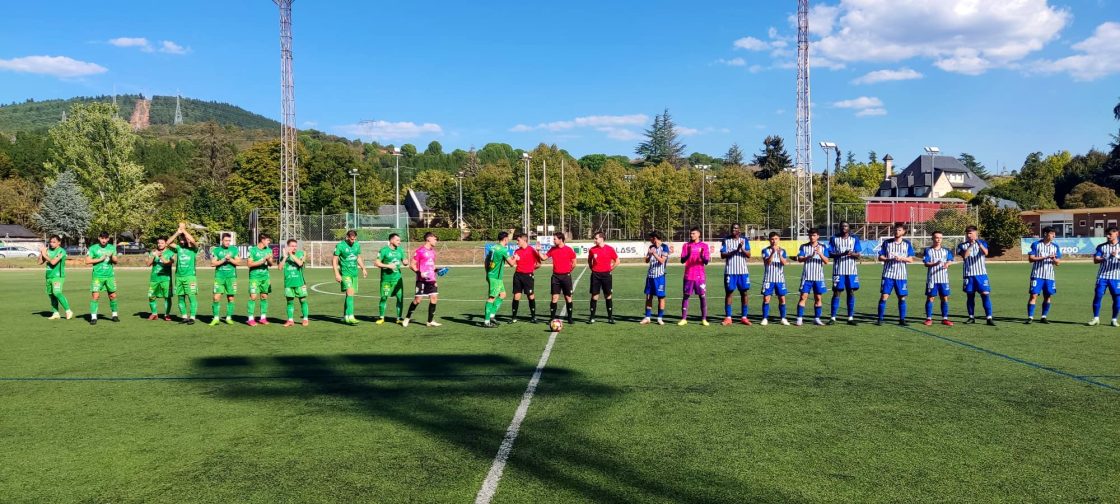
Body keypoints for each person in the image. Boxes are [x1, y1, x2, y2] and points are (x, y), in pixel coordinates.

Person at [877, 224, 914, 326]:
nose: (897, 231)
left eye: (899, 230)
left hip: (901, 276)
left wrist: (901, 258)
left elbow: (911, 259)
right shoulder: (887, 243)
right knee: (884, 296)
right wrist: (890, 259)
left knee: (902, 297)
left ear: (904, 232)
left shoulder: (907, 244)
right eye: (895, 230)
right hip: (888, 274)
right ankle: (880, 319)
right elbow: (880, 257)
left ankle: (902, 319)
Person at [957, 225, 994, 326]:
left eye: (971, 233)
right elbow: (965, 256)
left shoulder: (982, 243)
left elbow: (985, 252)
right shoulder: (962, 245)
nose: (969, 235)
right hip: (969, 275)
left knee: (985, 295)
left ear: (976, 233)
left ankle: (989, 318)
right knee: (970, 296)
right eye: (967, 233)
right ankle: (971, 317)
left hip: (981, 275)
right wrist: (971, 245)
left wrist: (977, 242)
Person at [404, 232, 441, 327]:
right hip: (421, 280)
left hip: (431, 280)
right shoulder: (420, 251)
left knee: (434, 298)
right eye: (435, 239)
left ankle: (430, 321)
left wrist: (437, 271)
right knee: (418, 300)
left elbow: (432, 266)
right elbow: (412, 265)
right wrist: (419, 273)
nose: (436, 241)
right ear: (429, 239)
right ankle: (407, 317)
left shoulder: (433, 252)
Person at [828, 221, 862, 325]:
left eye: (846, 226)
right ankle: (833, 317)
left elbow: (859, 255)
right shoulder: (834, 239)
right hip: (838, 270)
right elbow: (830, 254)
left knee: (850, 292)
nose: (844, 227)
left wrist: (852, 253)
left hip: (851, 271)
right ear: (839, 227)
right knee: (837, 292)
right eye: (842, 226)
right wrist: (843, 253)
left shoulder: (854, 239)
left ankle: (850, 318)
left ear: (849, 228)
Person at [1026, 226, 1061, 324]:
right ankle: (1030, 317)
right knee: (1033, 295)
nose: (1054, 235)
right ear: (1045, 234)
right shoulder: (1036, 244)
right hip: (1037, 275)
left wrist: (1053, 259)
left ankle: (1043, 317)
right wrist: (1046, 257)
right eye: (1051, 233)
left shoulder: (1055, 246)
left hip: (1049, 276)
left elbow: (1058, 263)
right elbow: (1030, 259)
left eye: (1054, 233)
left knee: (1048, 296)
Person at [795, 229, 830, 326]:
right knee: (803, 297)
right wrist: (810, 256)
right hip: (807, 277)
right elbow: (800, 259)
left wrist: (820, 254)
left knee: (818, 298)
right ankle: (799, 318)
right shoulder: (804, 246)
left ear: (818, 236)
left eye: (814, 235)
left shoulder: (823, 247)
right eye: (810, 235)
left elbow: (826, 261)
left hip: (818, 277)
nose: (812, 237)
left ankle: (817, 318)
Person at [332, 230, 367, 325]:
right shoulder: (340, 246)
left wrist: (363, 268)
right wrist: (336, 274)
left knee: (349, 295)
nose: (353, 241)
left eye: (355, 239)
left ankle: (345, 316)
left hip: (354, 274)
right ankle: (351, 316)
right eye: (352, 239)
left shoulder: (357, 245)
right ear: (347, 237)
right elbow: (334, 260)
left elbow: (358, 257)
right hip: (345, 274)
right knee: (350, 292)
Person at [167, 223, 200, 324]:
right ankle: (184, 316)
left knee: (191, 297)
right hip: (179, 277)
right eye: (181, 239)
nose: (182, 241)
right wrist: (178, 232)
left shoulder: (193, 249)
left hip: (190, 277)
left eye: (184, 239)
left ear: (187, 240)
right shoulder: (178, 248)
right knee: (180, 297)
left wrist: (184, 230)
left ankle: (192, 317)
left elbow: (193, 241)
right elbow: (168, 243)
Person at [720, 223, 752, 326]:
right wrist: (736, 250)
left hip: (743, 271)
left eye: (736, 228)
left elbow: (748, 255)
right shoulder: (726, 240)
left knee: (744, 293)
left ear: (739, 230)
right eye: (733, 228)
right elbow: (722, 255)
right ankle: (728, 317)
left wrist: (741, 248)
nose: (734, 229)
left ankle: (744, 317)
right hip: (730, 271)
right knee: (729, 293)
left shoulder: (744, 240)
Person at [482, 232, 516, 327]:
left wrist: (487, 272)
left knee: (503, 294)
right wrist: (516, 258)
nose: (508, 240)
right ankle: (486, 321)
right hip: (495, 278)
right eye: (508, 238)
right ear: (505, 239)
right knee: (491, 298)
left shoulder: (493, 247)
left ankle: (492, 316)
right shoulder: (502, 250)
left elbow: (486, 261)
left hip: (493, 276)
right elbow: (512, 264)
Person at [679, 227, 711, 326]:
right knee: (686, 296)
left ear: (698, 234)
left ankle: (704, 319)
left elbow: (706, 262)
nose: (691, 235)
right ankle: (684, 318)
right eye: (691, 233)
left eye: (693, 233)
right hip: (688, 276)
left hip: (700, 276)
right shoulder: (686, 245)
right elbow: (682, 261)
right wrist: (688, 254)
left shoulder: (704, 246)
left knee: (702, 296)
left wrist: (701, 256)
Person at [373, 233, 408, 325]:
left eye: (400, 240)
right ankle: (381, 317)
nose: (399, 242)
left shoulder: (400, 250)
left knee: (400, 298)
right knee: (384, 297)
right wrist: (387, 265)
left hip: (397, 279)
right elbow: (376, 263)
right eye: (397, 240)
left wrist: (405, 262)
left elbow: (404, 260)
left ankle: (399, 318)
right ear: (391, 240)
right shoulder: (384, 250)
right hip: (386, 280)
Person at [511, 233, 545, 323]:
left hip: (528, 276)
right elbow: (512, 263)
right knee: (516, 296)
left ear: (524, 240)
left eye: (518, 240)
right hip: (517, 275)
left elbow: (539, 264)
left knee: (530, 296)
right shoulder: (517, 251)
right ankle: (514, 317)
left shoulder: (532, 250)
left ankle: (533, 317)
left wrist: (530, 269)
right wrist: (514, 259)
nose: (517, 242)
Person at [1089, 226, 1120, 327]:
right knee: (1098, 295)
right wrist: (1107, 257)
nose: (1108, 236)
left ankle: (1114, 319)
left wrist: (1117, 256)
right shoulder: (1101, 246)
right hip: (1102, 276)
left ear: (1117, 234)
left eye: (1110, 234)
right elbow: (1095, 260)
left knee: (1116, 298)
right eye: (1107, 234)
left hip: (1116, 277)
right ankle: (1096, 318)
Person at [86, 231, 120, 324]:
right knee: (95, 296)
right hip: (97, 276)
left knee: (112, 296)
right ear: (99, 238)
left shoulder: (112, 248)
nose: (104, 240)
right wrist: (100, 259)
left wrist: (112, 256)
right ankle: (93, 317)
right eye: (102, 238)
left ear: (108, 239)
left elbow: (116, 261)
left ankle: (114, 315)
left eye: (105, 238)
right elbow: (87, 261)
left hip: (109, 276)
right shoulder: (93, 248)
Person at [587, 231, 619, 324]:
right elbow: (589, 261)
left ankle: (610, 317)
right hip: (595, 275)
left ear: (601, 238)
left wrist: (610, 269)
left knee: (608, 295)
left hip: (606, 275)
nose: (594, 240)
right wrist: (592, 269)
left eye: (596, 238)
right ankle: (592, 317)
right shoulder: (592, 250)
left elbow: (617, 261)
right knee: (594, 295)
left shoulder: (610, 249)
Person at [922, 231, 954, 326]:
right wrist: (934, 264)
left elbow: (950, 260)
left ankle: (945, 318)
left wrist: (947, 264)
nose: (938, 239)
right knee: (930, 298)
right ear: (932, 239)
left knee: (944, 298)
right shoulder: (928, 250)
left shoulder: (946, 250)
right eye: (936, 237)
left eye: (940, 237)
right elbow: (926, 263)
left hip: (944, 279)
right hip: (932, 279)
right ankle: (928, 318)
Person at [209, 232, 241, 326]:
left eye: (229, 241)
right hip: (219, 277)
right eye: (226, 240)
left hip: (231, 277)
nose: (228, 242)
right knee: (216, 298)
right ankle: (215, 318)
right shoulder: (217, 250)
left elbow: (239, 262)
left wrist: (230, 259)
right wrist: (223, 260)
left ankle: (228, 317)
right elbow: (212, 263)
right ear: (222, 240)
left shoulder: (234, 250)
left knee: (230, 298)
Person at [546, 232, 577, 325]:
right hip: (555, 277)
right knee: (554, 298)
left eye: (555, 239)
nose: (553, 240)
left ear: (560, 239)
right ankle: (552, 318)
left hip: (566, 276)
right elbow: (544, 257)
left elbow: (574, 263)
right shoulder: (552, 249)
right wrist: (538, 251)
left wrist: (567, 271)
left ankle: (570, 318)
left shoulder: (569, 250)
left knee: (568, 297)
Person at [759, 232, 790, 326]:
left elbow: (784, 263)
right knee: (766, 299)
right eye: (772, 239)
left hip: (780, 279)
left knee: (782, 298)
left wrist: (779, 254)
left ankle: (783, 318)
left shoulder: (783, 251)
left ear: (779, 239)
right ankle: (765, 318)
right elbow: (767, 262)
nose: (774, 241)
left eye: (776, 239)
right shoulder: (765, 250)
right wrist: (773, 252)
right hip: (768, 279)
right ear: (769, 240)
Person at [39, 235, 73, 320]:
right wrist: (41, 253)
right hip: (48, 276)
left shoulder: (61, 251)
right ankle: (56, 313)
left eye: (54, 242)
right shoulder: (48, 251)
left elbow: (53, 262)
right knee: (51, 295)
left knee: (57, 292)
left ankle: (68, 311)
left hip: (58, 276)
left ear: (59, 242)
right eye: (50, 242)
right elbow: (39, 262)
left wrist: (44, 254)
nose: (51, 244)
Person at [641, 231, 671, 325]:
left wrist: (654, 254)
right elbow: (646, 261)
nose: (650, 240)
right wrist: (649, 255)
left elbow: (662, 261)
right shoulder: (651, 247)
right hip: (650, 276)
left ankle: (659, 318)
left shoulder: (664, 247)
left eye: (651, 238)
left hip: (660, 276)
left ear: (655, 238)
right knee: (649, 296)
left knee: (661, 297)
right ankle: (647, 317)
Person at [246, 234, 274, 326]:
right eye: (267, 240)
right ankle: (250, 318)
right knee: (253, 297)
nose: (269, 242)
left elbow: (271, 264)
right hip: (254, 277)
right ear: (262, 240)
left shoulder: (269, 250)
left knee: (264, 297)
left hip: (265, 277)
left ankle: (263, 318)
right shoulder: (252, 250)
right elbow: (249, 264)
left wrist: (269, 259)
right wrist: (263, 260)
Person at [146, 237, 175, 321]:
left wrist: (161, 256)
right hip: (154, 278)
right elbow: (148, 264)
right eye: (158, 243)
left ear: (166, 244)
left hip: (166, 279)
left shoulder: (170, 253)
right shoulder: (153, 252)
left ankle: (167, 314)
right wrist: (154, 256)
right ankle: (154, 314)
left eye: (162, 243)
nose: (160, 244)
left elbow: (169, 263)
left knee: (167, 297)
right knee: (151, 296)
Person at [282, 238, 310, 327]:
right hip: (289, 283)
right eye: (292, 246)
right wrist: (285, 257)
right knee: (290, 302)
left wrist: (290, 254)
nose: (294, 248)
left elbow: (300, 263)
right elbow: (279, 267)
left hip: (300, 282)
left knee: (303, 300)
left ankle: (305, 319)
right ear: (288, 246)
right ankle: (290, 320)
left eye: (295, 246)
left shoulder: (301, 253)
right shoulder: (284, 256)